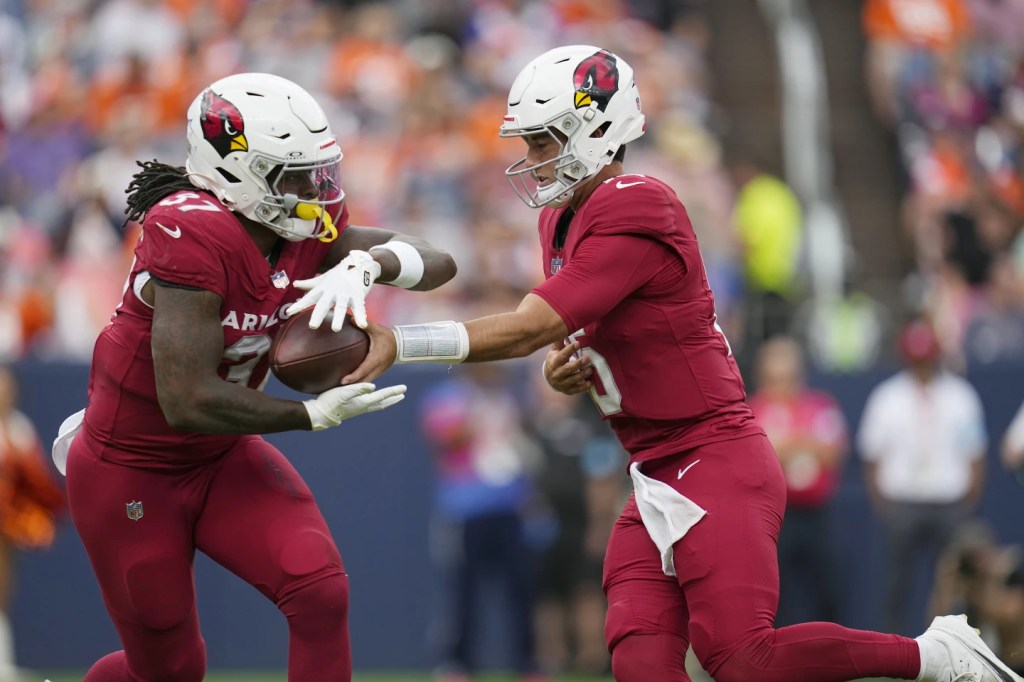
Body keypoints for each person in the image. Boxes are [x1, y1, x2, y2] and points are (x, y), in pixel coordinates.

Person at [345, 45, 1023, 682]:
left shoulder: (637, 203)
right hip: (653, 469)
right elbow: (572, 329)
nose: (533, 159)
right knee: (639, 658)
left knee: (741, 656)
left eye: (545, 141)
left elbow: (529, 326)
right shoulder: (561, 218)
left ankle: (936, 654)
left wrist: (402, 341)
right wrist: (561, 367)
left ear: (596, 131)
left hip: (713, 456)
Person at [50, 72, 456, 682]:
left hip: (220, 455)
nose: (314, 190)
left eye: (318, 172)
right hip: (131, 466)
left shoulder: (308, 228)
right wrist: (307, 415)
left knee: (319, 590)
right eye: (294, 176)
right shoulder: (191, 227)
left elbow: (441, 262)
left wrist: (371, 264)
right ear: (237, 172)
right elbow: (187, 399)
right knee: (171, 670)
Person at [858, 318, 987, 636]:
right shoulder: (887, 397)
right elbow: (871, 456)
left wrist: (967, 500)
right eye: (916, 359)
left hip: (949, 501)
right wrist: (885, 505)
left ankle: (957, 644)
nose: (922, 366)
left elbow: (975, 454)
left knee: (955, 583)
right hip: (903, 501)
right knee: (896, 583)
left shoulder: (960, 395)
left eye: (926, 358)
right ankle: (894, 645)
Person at [747, 336, 847, 626]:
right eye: (776, 379)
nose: (783, 387)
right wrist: (802, 443)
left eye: (789, 378)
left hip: (815, 513)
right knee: (775, 593)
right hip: (774, 516)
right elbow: (758, 458)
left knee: (829, 587)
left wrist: (785, 445)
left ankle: (831, 644)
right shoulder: (753, 410)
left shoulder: (820, 406)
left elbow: (832, 453)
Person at [0, 365, 65, 680]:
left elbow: (36, 483)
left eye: (7, 387)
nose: (3, 393)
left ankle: (3, 663)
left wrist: (33, 517)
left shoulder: (18, 429)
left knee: (3, 589)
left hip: (5, 527)